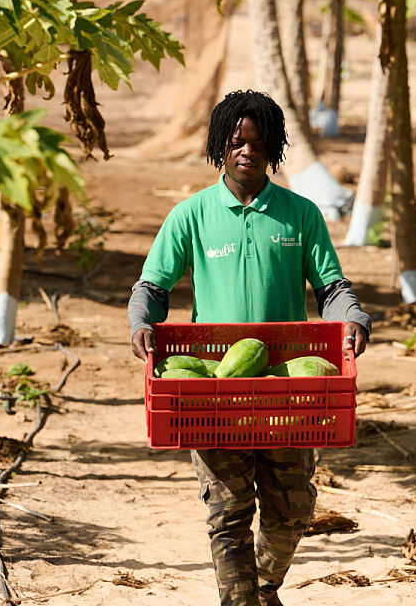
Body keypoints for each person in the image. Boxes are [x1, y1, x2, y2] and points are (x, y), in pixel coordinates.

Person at [128, 89, 371, 606]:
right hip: (213, 389)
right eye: (237, 142)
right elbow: (153, 286)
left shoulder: (300, 215)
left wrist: (352, 318)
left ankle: (262, 587)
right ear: (221, 145)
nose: (247, 151)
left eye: (258, 143)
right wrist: (142, 323)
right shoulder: (190, 215)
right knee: (227, 514)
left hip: (288, 387)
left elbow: (331, 287)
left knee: (292, 513)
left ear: (274, 148)